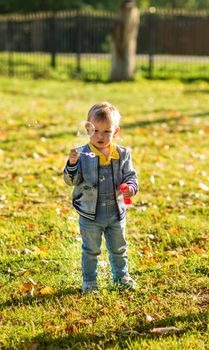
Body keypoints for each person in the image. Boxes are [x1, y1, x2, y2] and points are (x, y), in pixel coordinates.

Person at [63, 102, 138, 294]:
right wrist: (72, 165)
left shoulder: (122, 154)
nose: (100, 136)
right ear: (87, 129)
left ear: (116, 132)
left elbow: (130, 176)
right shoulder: (81, 154)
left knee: (119, 248)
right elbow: (70, 180)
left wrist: (131, 187)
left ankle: (121, 277)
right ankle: (89, 281)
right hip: (90, 214)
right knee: (91, 250)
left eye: (107, 131)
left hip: (115, 212)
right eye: (95, 130)